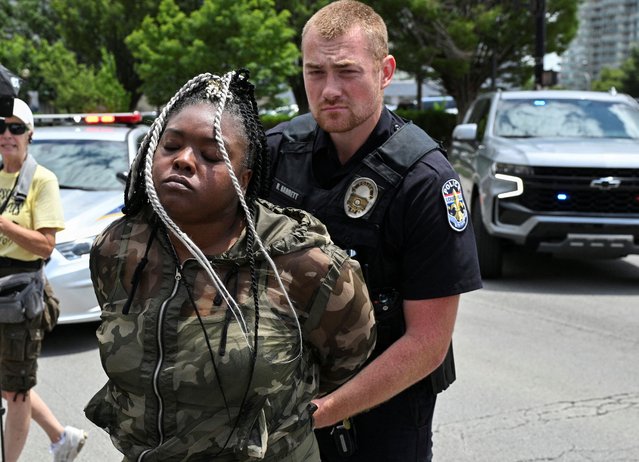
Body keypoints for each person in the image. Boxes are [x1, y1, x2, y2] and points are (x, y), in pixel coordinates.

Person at [84, 69, 376, 461]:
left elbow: (346, 358)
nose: (184, 161)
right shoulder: (119, 246)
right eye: (170, 146)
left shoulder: (307, 264)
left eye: (211, 154)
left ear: (245, 177)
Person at [265, 1, 483, 460]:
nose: (328, 90)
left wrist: (320, 412)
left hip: (385, 410)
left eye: (347, 71)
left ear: (385, 72)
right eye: (315, 72)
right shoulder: (277, 152)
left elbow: (427, 344)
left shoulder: (425, 181)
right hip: (282, 397)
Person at [0, 98, 88, 462]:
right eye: (1, 127)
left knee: (16, 389)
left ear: (30, 134)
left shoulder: (41, 179)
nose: (7, 135)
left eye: (16, 128)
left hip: (19, 300)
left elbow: (46, 246)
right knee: (8, 383)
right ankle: (61, 436)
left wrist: (4, 224)